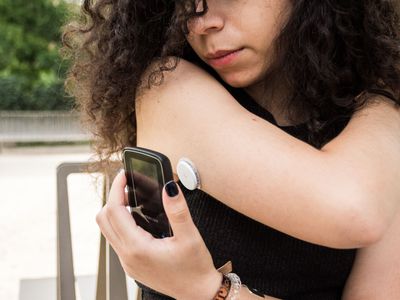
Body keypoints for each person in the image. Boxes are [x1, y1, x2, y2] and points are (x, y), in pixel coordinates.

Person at [62, 0, 400, 299]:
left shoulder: (364, 127)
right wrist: (387, 102)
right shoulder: (168, 88)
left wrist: (208, 290)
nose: (199, 22)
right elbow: (353, 209)